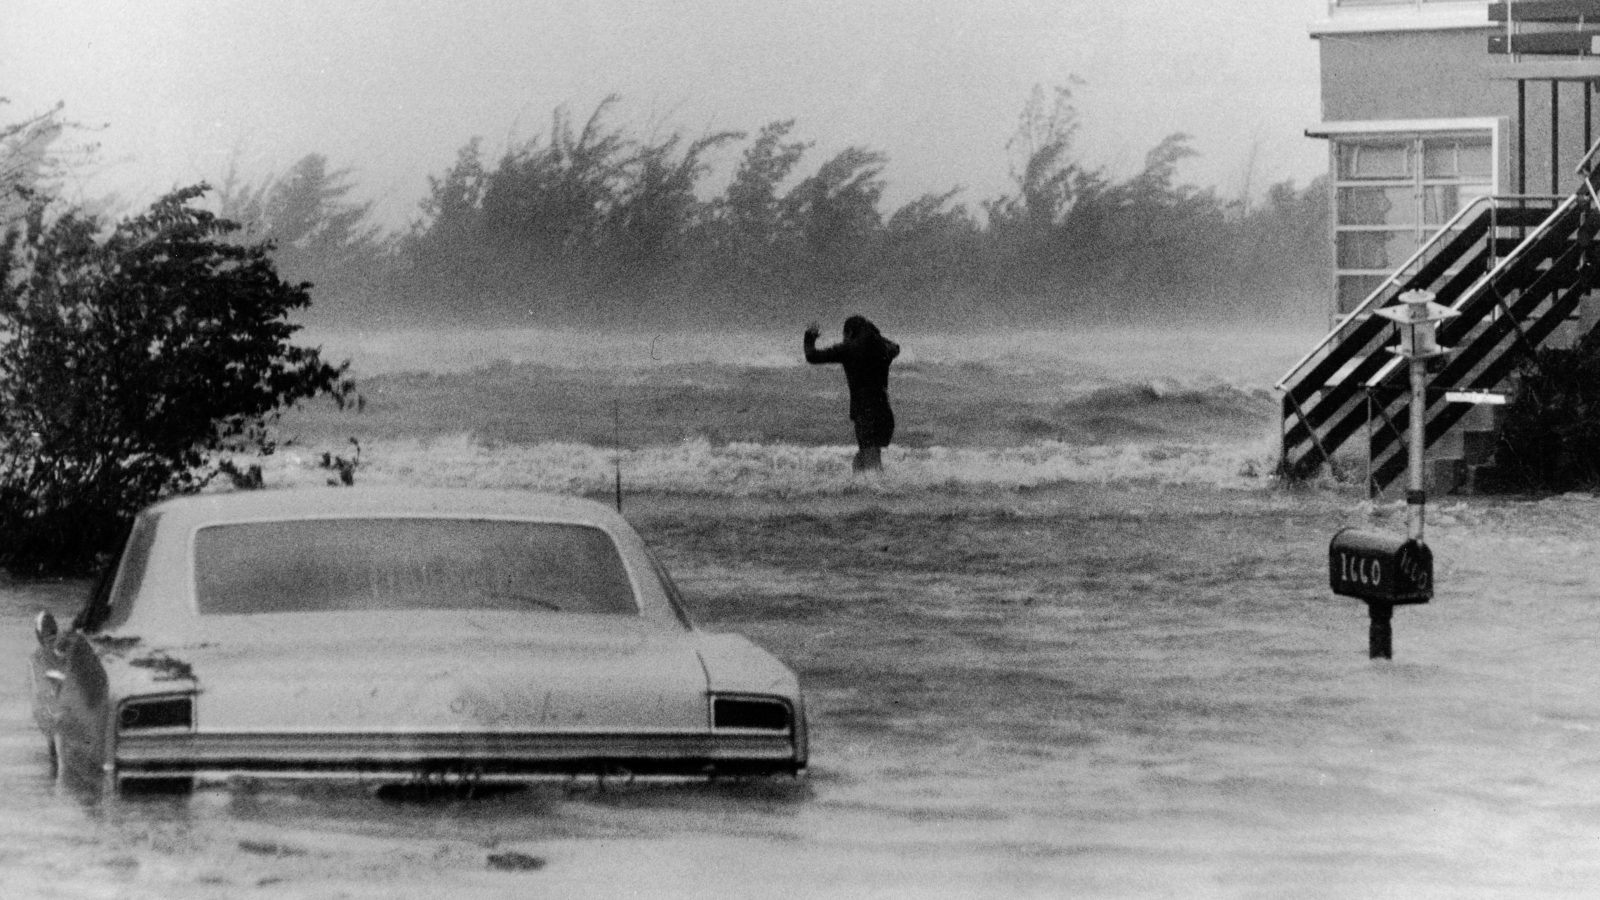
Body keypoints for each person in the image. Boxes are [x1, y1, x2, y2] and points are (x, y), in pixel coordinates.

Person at [804, 315, 900, 471]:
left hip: (865, 413)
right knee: (861, 462)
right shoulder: (883, 350)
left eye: (844, 336)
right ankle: (871, 492)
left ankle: (881, 493)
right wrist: (873, 333)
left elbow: (812, 356)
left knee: (870, 463)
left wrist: (810, 335)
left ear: (849, 333)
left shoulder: (848, 350)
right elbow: (895, 347)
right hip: (884, 414)